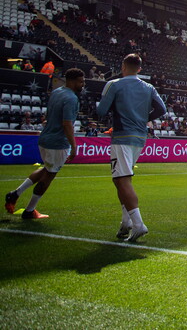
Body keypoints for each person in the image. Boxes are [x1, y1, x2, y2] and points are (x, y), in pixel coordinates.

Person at [96, 54, 166, 242]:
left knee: (122, 180)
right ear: (140, 69)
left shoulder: (114, 84)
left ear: (123, 66)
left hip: (122, 136)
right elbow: (162, 109)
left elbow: (101, 111)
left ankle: (138, 224)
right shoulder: (148, 87)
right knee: (120, 180)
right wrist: (143, 118)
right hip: (139, 137)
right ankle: (126, 222)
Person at [5, 68, 84, 219]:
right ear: (72, 81)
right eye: (81, 81)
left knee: (46, 169)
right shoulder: (71, 98)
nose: (83, 85)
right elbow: (67, 124)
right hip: (57, 142)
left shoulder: (57, 92)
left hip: (45, 138)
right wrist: (74, 145)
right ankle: (30, 210)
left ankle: (15, 194)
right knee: (49, 175)